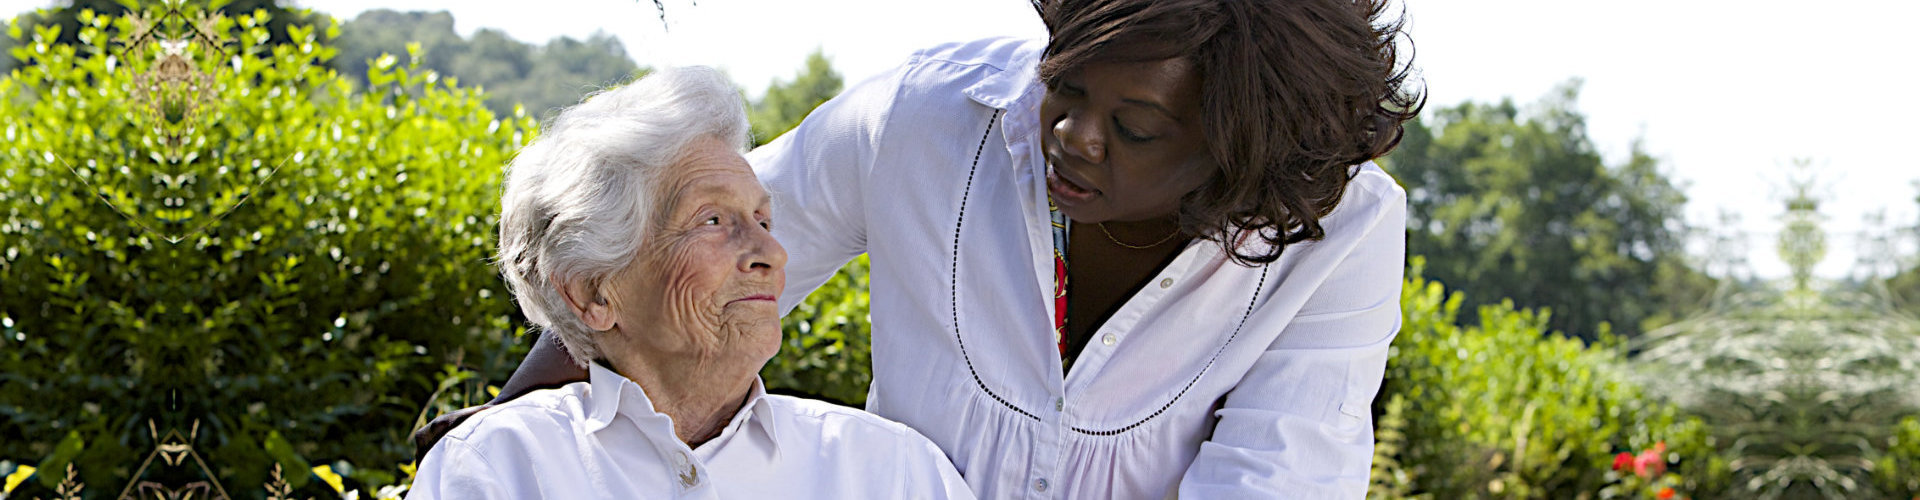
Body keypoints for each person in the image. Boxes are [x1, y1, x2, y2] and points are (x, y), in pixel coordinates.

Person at [417, 0, 1423, 497]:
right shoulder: (926, 118)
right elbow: (668, 267)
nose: (1072, 137)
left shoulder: (1342, 237)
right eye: (1065, 89)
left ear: (1236, 140)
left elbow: (1273, 480)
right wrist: (505, 426)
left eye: (1136, 127)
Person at [405, 66, 973, 500]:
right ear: (594, 292)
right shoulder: (496, 468)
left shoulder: (892, 471)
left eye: (764, 221)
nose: (772, 254)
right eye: (712, 221)